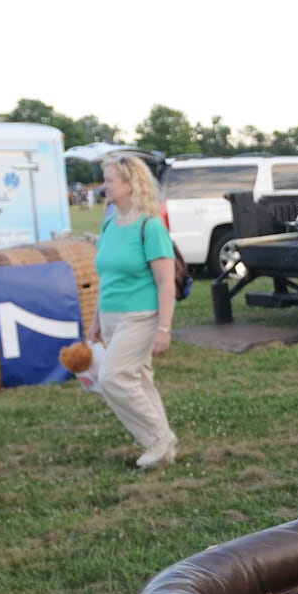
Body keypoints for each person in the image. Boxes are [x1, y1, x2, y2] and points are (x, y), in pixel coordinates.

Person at [86, 154, 178, 469]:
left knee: (112, 378)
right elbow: (107, 276)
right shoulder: (110, 222)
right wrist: (97, 320)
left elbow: (166, 281)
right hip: (111, 317)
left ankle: (157, 438)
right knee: (138, 379)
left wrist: (164, 328)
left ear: (130, 183)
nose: (104, 186)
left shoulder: (150, 227)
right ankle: (164, 451)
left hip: (141, 317)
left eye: (110, 180)